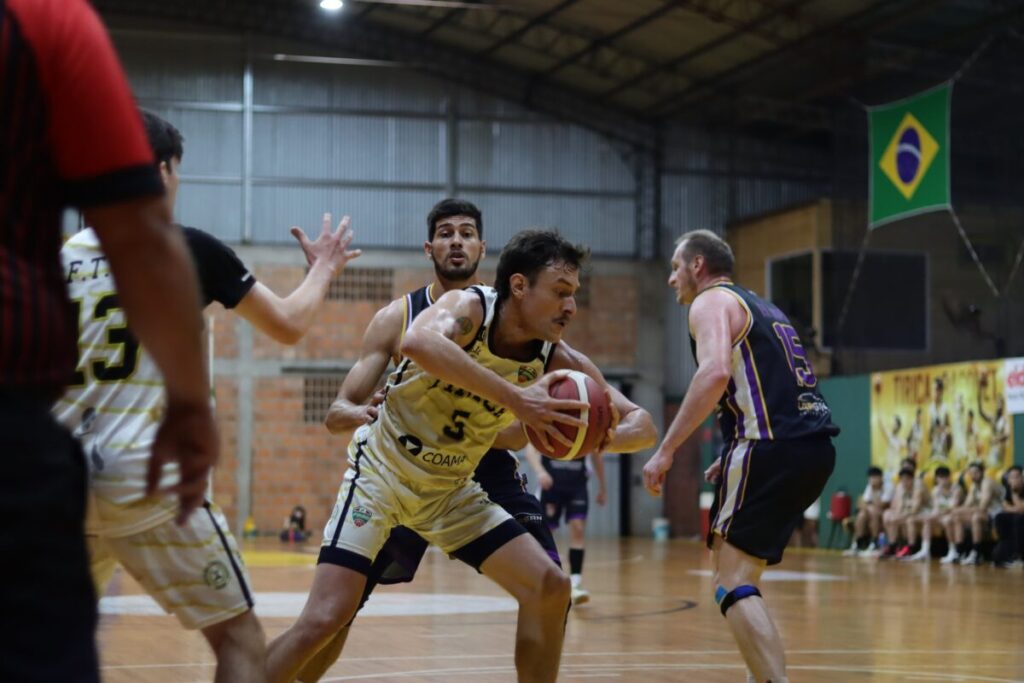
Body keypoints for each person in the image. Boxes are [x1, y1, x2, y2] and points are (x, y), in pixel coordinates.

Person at [267, 229, 657, 683]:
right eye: (561, 293)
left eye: (574, 295)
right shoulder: (471, 308)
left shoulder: (556, 359)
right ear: (518, 286)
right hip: (381, 477)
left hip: (449, 491)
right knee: (324, 620)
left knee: (551, 587)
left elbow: (642, 425)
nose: (571, 306)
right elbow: (418, 343)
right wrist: (518, 400)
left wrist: (592, 435)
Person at [54, 111, 360, 683]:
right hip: (148, 478)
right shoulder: (186, 249)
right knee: (240, 641)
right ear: (163, 171)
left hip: (60, 481)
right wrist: (322, 268)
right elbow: (290, 324)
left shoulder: (54, 263)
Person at [1, 3, 218, 681]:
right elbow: (141, 237)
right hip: (26, 431)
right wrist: (190, 401)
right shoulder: (47, 22)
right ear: (169, 171)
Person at [641, 230, 838, 683]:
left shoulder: (708, 303)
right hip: (815, 447)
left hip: (771, 447)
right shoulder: (763, 307)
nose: (671, 279)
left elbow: (713, 375)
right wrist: (732, 448)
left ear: (697, 266)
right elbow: (763, 385)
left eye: (675, 268)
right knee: (746, 575)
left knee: (729, 580)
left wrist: (666, 450)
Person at [524, 443, 607, 605]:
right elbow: (529, 451)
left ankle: (576, 582)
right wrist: (540, 472)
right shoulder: (549, 421)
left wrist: (603, 487)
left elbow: (597, 456)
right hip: (551, 485)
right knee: (545, 534)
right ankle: (541, 580)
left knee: (578, 528)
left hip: (577, 486)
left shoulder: (588, 427)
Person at [941, 461, 1000, 565]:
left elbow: (982, 507)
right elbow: (967, 504)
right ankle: (959, 551)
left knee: (975, 517)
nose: (973, 475)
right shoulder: (973, 486)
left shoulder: (987, 483)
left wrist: (956, 510)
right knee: (956, 517)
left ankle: (977, 553)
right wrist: (955, 511)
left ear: (982, 472)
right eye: (971, 473)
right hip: (985, 514)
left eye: (976, 472)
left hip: (997, 515)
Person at [905, 465, 955, 562]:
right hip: (940, 515)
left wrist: (938, 514)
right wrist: (934, 515)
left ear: (949, 477)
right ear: (936, 479)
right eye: (940, 477)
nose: (942, 480)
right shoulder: (936, 490)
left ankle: (953, 551)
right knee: (926, 519)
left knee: (947, 520)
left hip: (952, 515)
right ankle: (925, 550)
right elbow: (936, 508)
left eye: (945, 477)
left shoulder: (956, 489)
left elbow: (952, 508)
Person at [842, 466, 892, 557]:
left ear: (880, 477)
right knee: (862, 515)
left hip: (886, 514)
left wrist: (873, 497)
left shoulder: (888, 486)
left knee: (872, 511)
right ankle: (857, 544)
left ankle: (874, 543)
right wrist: (869, 506)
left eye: (874, 477)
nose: (872, 480)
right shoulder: (870, 486)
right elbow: (862, 504)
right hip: (872, 513)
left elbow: (883, 505)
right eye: (870, 477)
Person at [992, 465, 1024, 568]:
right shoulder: (1008, 488)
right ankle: (1005, 554)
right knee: (1000, 517)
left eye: (1016, 477)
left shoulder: (1013, 490)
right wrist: (1015, 509)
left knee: (1019, 519)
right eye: (1011, 477)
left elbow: (1021, 509)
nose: (1013, 480)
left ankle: (1019, 556)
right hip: (1017, 516)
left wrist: (1014, 492)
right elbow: (1005, 506)